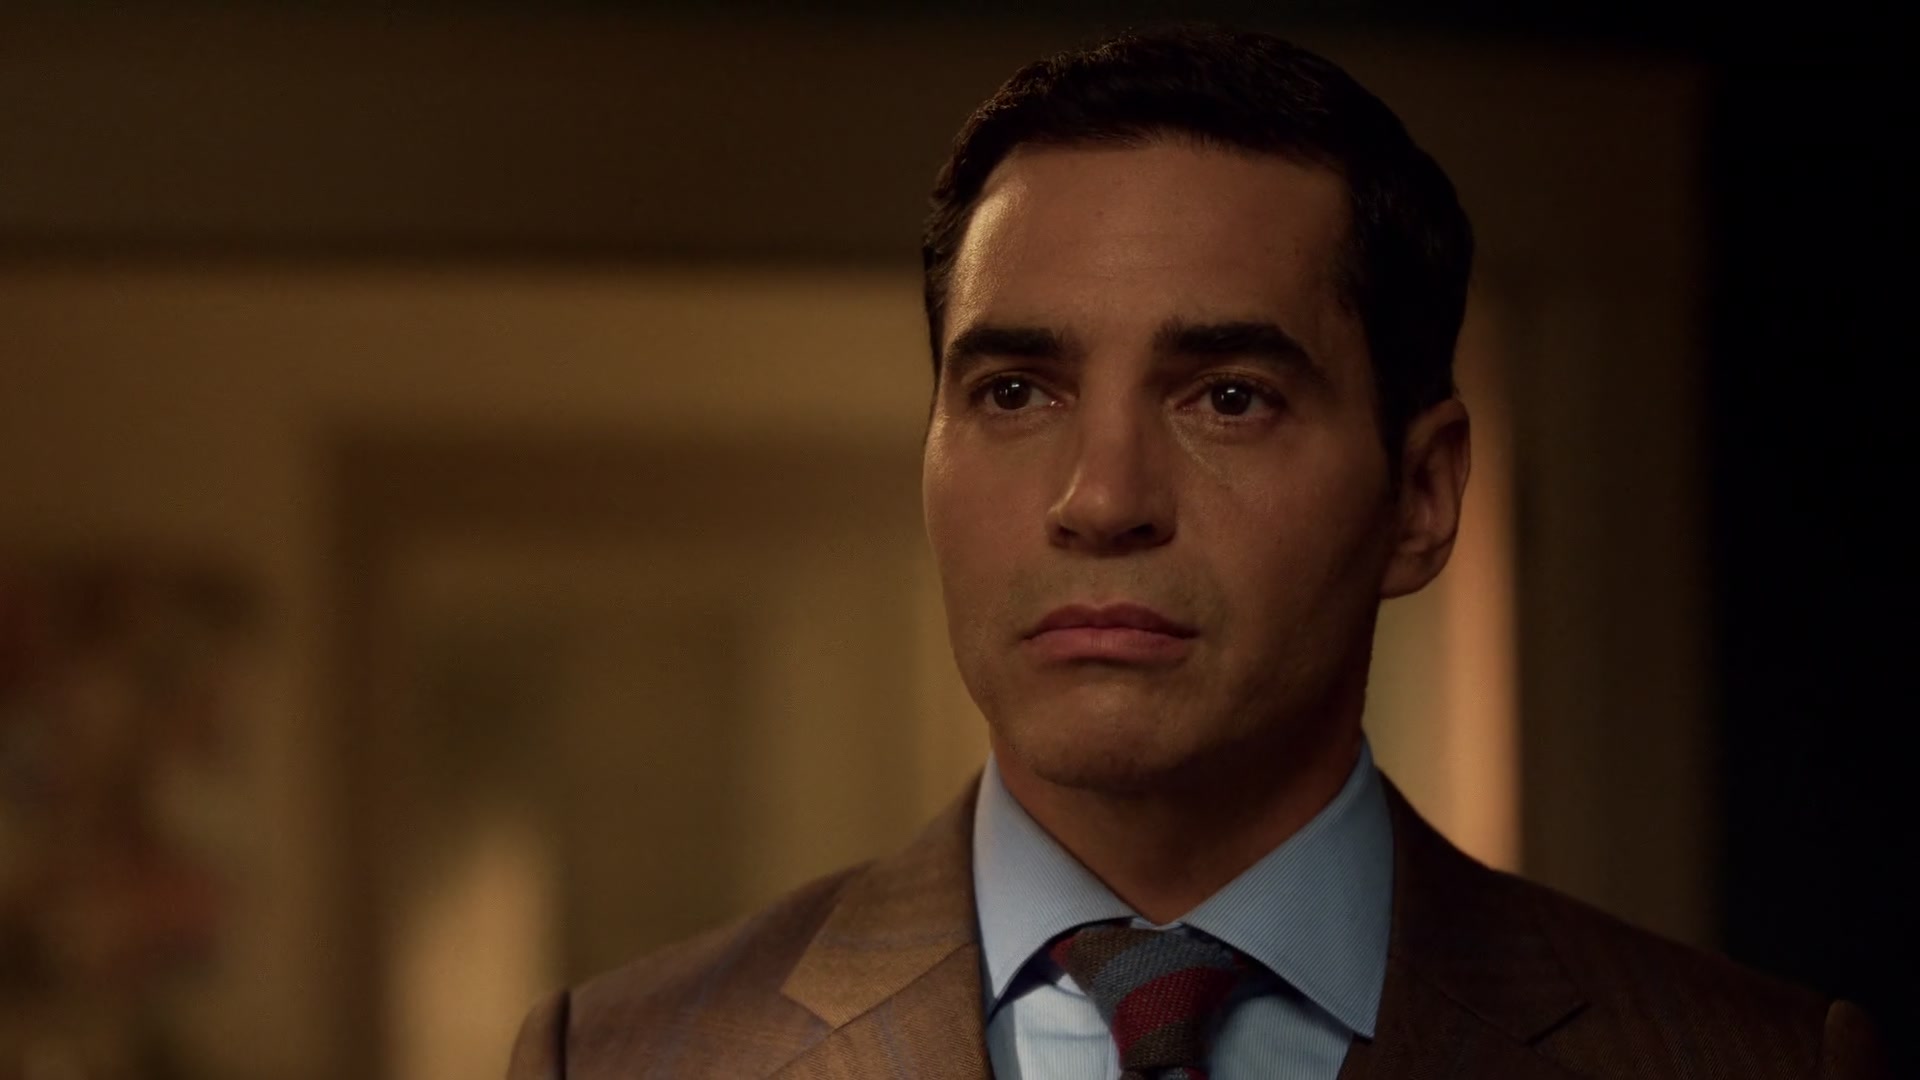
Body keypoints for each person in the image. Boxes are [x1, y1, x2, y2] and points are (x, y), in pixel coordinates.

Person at [507, 25, 1888, 1080]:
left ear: (1421, 494)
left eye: (1228, 397)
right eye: (1015, 392)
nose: (1102, 498)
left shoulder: (1753, 1062)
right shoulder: (624, 1058)